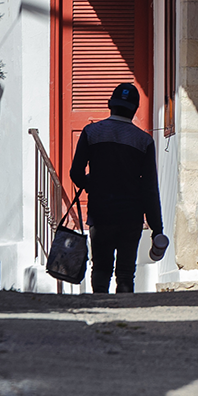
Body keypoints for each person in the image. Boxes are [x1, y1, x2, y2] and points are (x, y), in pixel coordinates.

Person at [69, 83, 168, 293]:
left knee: (101, 269)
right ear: (135, 109)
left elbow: (75, 173)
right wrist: (157, 229)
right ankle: (124, 315)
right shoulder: (144, 141)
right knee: (125, 273)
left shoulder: (91, 132)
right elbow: (149, 188)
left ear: (109, 105)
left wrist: (92, 185)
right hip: (130, 217)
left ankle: (98, 312)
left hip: (100, 212)